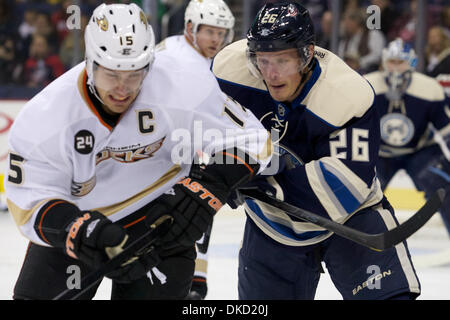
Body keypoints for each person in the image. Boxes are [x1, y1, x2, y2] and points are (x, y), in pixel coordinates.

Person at [4, 3, 271, 300]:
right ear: (90, 63)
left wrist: (208, 187)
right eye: (112, 74)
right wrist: (78, 230)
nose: (123, 89)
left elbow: (252, 138)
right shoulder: (47, 115)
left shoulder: (183, 83)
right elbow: (29, 201)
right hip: (81, 223)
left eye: (134, 74)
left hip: (161, 220)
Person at [212, 2, 421, 300]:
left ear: (306, 54)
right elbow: (206, 134)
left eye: (282, 61)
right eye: (262, 60)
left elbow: (344, 186)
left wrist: (255, 180)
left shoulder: (347, 94)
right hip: (272, 224)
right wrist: (219, 168)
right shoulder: (229, 71)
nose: (271, 74)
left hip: (352, 217)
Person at [155, 0, 235, 300]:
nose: (217, 39)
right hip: (161, 157)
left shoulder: (213, 63)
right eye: (210, 32)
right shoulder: (171, 57)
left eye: (222, 32)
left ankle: (195, 282)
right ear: (190, 28)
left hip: (189, 151)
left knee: (196, 211)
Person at [364, 38, 450, 234]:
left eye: (400, 62)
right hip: (380, 151)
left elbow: (446, 131)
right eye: (391, 62)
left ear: (411, 63)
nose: (395, 68)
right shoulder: (367, 85)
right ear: (384, 62)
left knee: (441, 186)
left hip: (419, 150)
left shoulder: (429, 89)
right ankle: (356, 243)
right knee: (364, 192)